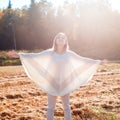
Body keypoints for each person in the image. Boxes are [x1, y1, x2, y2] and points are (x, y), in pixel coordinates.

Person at [7, 32, 107, 120]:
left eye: (63, 38)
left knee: (66, 107)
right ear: (55, 41)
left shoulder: (70, 54)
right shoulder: (50, 53)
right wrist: (20, 55)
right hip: (52, 82)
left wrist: (98, 62)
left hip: (65, 83)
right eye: (58, 37)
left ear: (65, 42)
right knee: (51, 107)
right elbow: (35, 56)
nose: (60, 39)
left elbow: (83, 60)